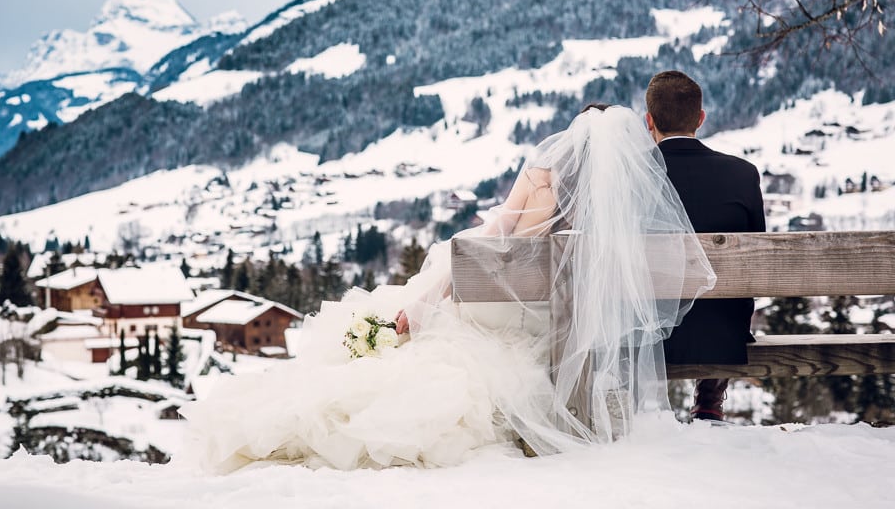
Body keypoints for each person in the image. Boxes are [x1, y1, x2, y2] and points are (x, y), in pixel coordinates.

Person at [178, 104, 715, 472]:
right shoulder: (613, 206)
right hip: (555, 321)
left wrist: (427, 297)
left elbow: (484, 246)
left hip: (503, 306)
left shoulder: (540, 177)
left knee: (423, 288)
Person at [644, 70, 766, 421]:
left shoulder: (634, 178)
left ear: (648, 121)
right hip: (722, 335)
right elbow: (756, 260)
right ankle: (709, 399)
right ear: (700, 118)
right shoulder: (743, 174)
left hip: (649, 335)